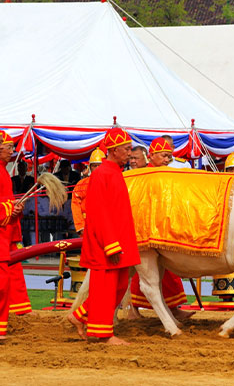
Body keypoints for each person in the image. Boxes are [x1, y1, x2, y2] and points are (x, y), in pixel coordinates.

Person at [67, 128, 139, 345]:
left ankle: (79, 315)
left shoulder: (114, 171)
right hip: (107, 243)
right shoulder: (102, 174)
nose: (130, 153)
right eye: (126, 149)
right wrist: (111, 244)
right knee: (106, 288)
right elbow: (98, 213)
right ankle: (102, 334)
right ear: (114, 150)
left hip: (118, 241)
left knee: (116, 287)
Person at [128, 137, 191, 321]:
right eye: (164, 156)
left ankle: (171, 308)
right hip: (144, 232)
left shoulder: (164, 174)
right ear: (152, 156)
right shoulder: (143, 176)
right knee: (140, 273)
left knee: (167, 272)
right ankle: (133, 308)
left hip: (161, 231)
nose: (166, 160)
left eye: (169, 157)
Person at [0, 131, 26, 339]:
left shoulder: (4, 172)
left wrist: (13, 209)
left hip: (5, 231)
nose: (11, 151)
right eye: (8, 147)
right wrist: (9, 209)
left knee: (5, 282)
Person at [71, 149, 105, 235]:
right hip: (87, 225)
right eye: (94, 166)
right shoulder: (81, 184)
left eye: (99, 165)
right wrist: (80, 226)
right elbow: (75, 205)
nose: (97, 168)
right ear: (90, 167)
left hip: (106, 225)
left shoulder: (111, 181)